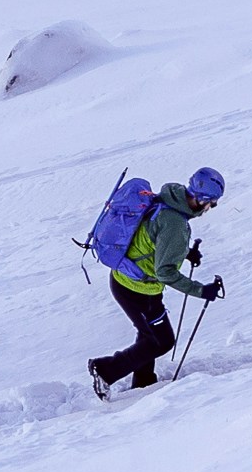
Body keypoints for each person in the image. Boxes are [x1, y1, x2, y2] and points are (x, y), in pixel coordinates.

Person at [90, 166, 225, 395]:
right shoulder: (176, 224)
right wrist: (202, 291)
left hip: (137, 283)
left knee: (149, 334)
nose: (211, 208)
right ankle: (104, 370)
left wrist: (183, 252)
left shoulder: (168, 200)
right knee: (161, 342)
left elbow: (154, 239)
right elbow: (166, 273)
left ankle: (144, 384)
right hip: (135, 289)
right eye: (212, 202)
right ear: (202, 200)